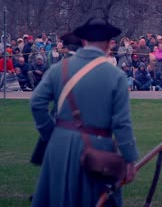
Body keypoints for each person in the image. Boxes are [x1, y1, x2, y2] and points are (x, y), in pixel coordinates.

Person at [30, 17, 138, 206]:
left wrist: (51, 133)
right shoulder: (116, 76)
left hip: (59, 146)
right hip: (97, 148)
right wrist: (130, 159)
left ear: (84, 41)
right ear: (108, 44)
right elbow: (122, 124)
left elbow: (37, 103)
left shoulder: (59, 69)